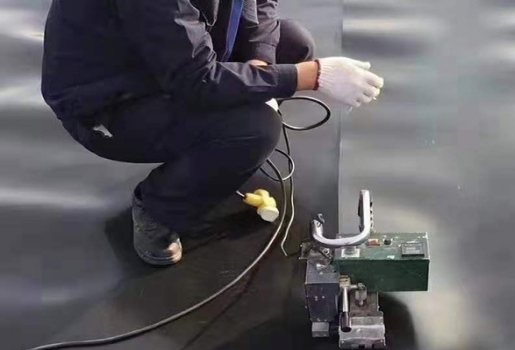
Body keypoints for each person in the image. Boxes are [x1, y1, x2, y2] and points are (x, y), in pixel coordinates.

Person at [41, 0, 384, 266]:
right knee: (255, 129)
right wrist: (314, 76)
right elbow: (197, 81)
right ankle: (157, 208)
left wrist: (261, 63)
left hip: (162, 61)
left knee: (292, 45)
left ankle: (217, 158)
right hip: (110, 103)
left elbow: (259, 3)